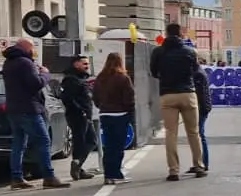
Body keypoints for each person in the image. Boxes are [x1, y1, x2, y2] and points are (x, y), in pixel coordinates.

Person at [1, 38, 68, 190]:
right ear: (26, 48)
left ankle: (16, 178)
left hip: (13, 109)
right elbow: (35, 84)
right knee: (43, 141)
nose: (34, 52)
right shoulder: (25, 63)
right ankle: (49, 177)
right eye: (32, 48)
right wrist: (45, 74)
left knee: (18, 143)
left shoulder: (9, 62)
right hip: (29, 109)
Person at [149, 23, 206, 181]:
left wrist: (164, 77)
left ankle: (173, 170)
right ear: (181, 34)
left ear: (166, 33)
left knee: (171, 133)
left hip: (168, 94)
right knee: (193, 132)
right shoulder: (189, 51)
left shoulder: (158, 51)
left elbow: (153, 71)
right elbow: (195, 71)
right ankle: (199, 166)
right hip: (187, 93)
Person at [92, 52, 136, 184]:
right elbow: (129, 98)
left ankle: (108, 174)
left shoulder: (100, 78)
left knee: (109, 146)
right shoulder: (123, 78)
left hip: (105, 114)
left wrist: (102, 106)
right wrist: (130, 112)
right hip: (120, 114)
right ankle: (116, 174)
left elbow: (95, 97)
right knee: (118, 147)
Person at [60, 54, 97, 181]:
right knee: (81, 141)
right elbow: (67, 98)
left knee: (90, 141)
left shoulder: (80, 78)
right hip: (78, 116)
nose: (87, 66)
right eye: (84, 64)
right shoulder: (71, 80)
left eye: (87, 64)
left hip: (85, 115)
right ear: (76, 64)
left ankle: (78, 166)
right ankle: (77, 164)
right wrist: (81, 111)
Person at [193, 63, 214, 171]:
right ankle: (198, 162)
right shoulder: (198, 72)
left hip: (202, 108)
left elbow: (199, 94)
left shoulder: (198, 74)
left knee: (200, 134)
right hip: (202, 107)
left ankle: (204, 163)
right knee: (196, 135)